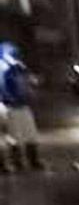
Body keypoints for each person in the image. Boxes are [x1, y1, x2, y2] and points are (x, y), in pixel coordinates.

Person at [0, 43, 42, 172]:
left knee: (29, 133)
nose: (13, 56)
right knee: (15, 135)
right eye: (11, 53)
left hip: (22, 104)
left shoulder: (18, 67)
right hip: (11, 106)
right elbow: (4, 87)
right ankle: (18, 162)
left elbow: (26, 82)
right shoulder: (4, 68)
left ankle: (32, 160)